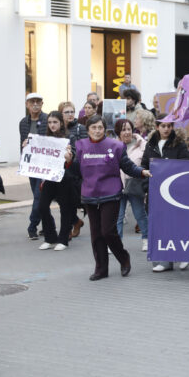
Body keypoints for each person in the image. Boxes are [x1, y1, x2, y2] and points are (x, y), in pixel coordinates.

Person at [65, 115, 151, 280]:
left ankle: (123, 258)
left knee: (108, 231)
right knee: (96, 234)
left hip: (110, 193)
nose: (97, 131)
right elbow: (77, 170)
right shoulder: (81, 146)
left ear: (105, 129)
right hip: (90, 194)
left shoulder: (116, 146)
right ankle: (101, 269)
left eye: (100, 127)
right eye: (93, 128)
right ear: (88, 130)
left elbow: (127, 166)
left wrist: (141, 172)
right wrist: (69, 161)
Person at [142, 114, 189, 272]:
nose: (166, 129)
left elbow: (185, 166)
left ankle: (183, 255)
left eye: (169, 126)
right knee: (160, 227)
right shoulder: (150, 144)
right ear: (157, 127)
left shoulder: (179, 144)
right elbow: (144, 166)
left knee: (177, 226)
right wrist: (146, 186)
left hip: (174, 193)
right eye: (163, 126)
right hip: (155, 193)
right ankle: (164, 261)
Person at [38, 111, 76, 251]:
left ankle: (63, 239)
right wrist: (27, 146)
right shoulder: (44, 138)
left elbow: (74, 159)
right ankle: (50, 237)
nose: (52, 125)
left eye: (55, 122)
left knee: (65, 208)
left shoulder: (69, 137)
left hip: (64, 178)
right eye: (49, 122)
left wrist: (69, 157)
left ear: (61, 123)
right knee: (42, 206)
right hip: (49, 177)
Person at [114, 119, 149, 252]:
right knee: (118, 216)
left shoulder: (142, 144)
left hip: (135, 184)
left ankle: (146, 239)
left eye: (129, 129)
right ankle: (117, 243)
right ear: (118, 132)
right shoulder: (113, 145)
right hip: (118, 185)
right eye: (123, 130)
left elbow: (146, 162)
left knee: (139, 213)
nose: (127, 132)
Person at [20, 92, 48, 240]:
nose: (35, 104)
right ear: (27, 105)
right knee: (39, 197)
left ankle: (32, 227)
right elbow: (22, 143)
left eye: (38, 101)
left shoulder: (48, 119)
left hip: (45, 164)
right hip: (31, 165)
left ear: (42, 104)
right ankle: (45, 224)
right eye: (32, 102)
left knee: (39, 196)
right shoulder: (23, 122)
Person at [58, 102, 87, 239]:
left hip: (75, 170)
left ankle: (68, 229)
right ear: (61, 114)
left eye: (72, 112)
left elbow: (84, 147)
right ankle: (76, 221)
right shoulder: (57, 128)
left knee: (71, 200)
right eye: (66, 112)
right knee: (63, 201)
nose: (70, 115)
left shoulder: (80, 128)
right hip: (60, 169)